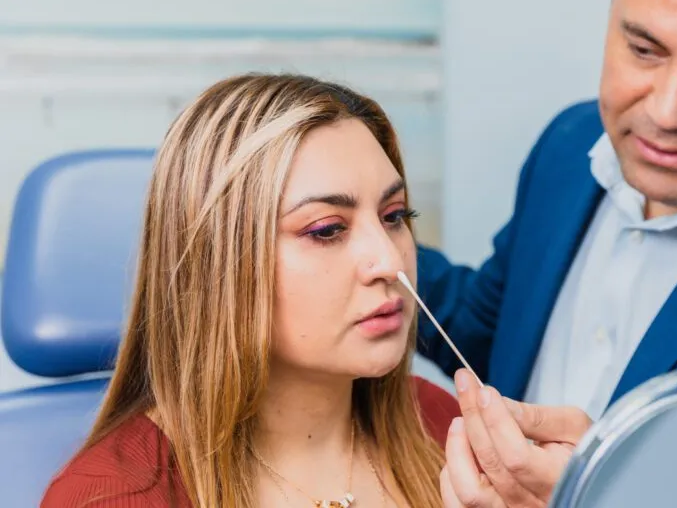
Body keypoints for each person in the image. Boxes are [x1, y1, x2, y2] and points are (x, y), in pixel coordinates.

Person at [40, 73, 461, 508]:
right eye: (327, 229)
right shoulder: (114, 497)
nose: (391, 262)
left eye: (394, 216)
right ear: (216, 264)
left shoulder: (440, 423)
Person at [420, 0, 677, 505]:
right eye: (645, 50)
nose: (667, 112)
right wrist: (363, 246)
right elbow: (483, 326)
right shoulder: (568, 144)